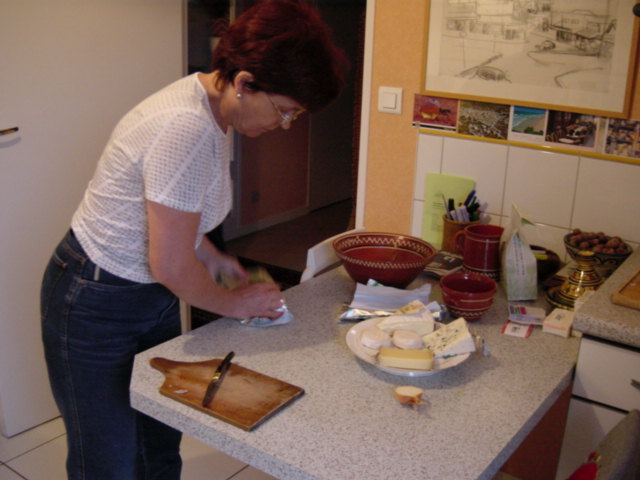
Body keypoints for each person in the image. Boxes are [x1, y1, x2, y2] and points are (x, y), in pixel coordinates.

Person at [40, 1, 348, 479]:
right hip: (95, 297)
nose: (284, 125)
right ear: (244, 82)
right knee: (107, 460)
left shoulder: (211, 105)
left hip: (148, 293)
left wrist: (211, 257)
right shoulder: (185, 127)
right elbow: (169, 264)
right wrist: (235, 303)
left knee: (159, 439)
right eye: (285, 111)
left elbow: (173, 213)